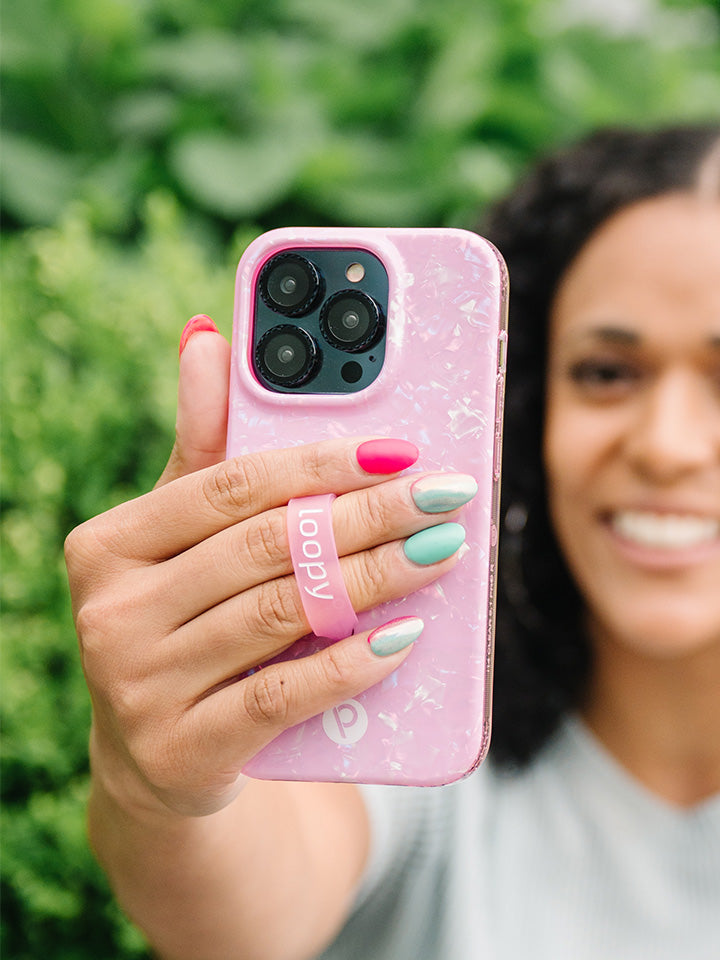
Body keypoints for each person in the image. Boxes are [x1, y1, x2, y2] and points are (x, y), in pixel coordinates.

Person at [64, 125, 720, 960]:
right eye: (605, 373)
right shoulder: (412, 713)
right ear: (525, 409)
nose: (666, 445)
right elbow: (244, 917)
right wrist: (158, 792)